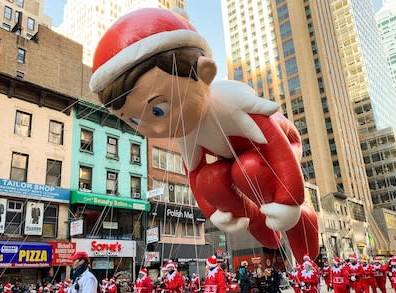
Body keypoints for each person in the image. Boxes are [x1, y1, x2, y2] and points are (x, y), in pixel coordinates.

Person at [89, 6, 320, 260]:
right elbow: (195, 176)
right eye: (134, 120)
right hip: (237, 162)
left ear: (205, 73)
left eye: (158, 110)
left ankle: (303, 233)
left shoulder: (232, 102)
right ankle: (256, 220)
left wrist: (289, 198)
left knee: (249, 168)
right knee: (210, 179)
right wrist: (213, 211)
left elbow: (277, 145)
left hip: (282, 147)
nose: (155, 129)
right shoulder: (187, 135)